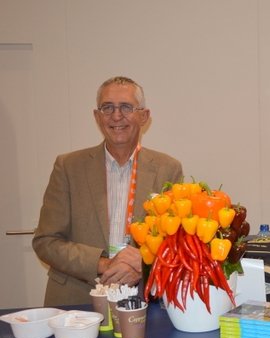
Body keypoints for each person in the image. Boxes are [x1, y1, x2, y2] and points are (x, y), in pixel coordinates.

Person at [33, 76, 183, 306]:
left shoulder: (168, 169)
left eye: (126, 107)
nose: (116, 115)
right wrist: (105, 264)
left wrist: (144, 263)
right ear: (97, 116)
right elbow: (46, 242)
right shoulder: (68, 167)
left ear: (144, 116)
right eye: (107, 108)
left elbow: (176, 244)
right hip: (76, 299)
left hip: (141, 298)